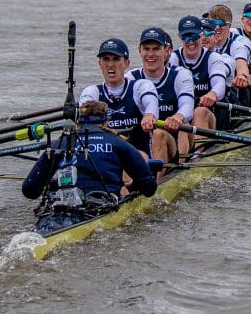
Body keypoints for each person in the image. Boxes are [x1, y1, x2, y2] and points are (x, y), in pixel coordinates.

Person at [21, 99, 158, 226]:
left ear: (78, 121)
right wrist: (131, 187)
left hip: (57, 212)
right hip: (99, 208)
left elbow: (29, 190)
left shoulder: (59, 144)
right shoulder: (118, 143)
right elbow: (149, 188)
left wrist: (51, 183)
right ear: (106, 121)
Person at [77, 37, 159, 158]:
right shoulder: (92, 92)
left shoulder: (141, 86)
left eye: (116, 59)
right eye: (106, 59)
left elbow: (151, 104)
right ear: (100, 64)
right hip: (106, 157)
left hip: (140, 158)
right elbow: (84, 121)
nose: (110, 65)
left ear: (126, 63)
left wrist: (149, 115)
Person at [136, 26, 196, 165]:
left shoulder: (180, 75)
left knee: (159, 133)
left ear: (166, 51)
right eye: (146, 49)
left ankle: (168, 172)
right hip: (142, 143)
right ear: (139, 51)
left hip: (173, 140)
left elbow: (187, 106)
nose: (150, 54)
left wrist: (178, 117)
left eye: (156, 49)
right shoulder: (131, 78)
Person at [170, 15, 235, 140]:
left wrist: (213, 94)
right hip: (183, 118)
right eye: (186, 37)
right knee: (182, 120)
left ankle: (199, 150)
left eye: (194, 36)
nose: (191, 41)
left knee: (199, 111)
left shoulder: (213, 58)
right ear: (180, 37)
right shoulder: (173, 58)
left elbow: (219, 84)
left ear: (200, 35)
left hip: (211, 114)